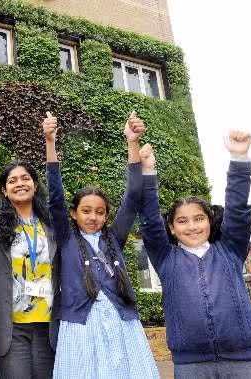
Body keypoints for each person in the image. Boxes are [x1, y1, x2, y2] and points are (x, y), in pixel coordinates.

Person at [138, 132, 251, 378]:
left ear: (209, 222)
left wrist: (239, 157)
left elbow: (238, 210)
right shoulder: (166, 259)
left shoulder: (230, 250)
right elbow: (149, 221)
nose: (192, 226)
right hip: (191, 365)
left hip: (246, 361)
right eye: (182, 221)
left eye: (199, 219)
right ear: (172, 229)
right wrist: (147, 172)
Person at [45, 111, 159, 378]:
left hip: (121, 322)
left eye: (99, 212)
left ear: (106, 215)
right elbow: (55, 198)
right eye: (86, 211)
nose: (93, 217)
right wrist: (50, 141)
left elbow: (132, 197)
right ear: (73, 213)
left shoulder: (114, 237)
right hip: (80, 324)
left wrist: (132, 143)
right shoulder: (66, 237)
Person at [0, 155, 58, 377]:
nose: (20, 184)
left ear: (35, 186)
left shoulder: (52, 226)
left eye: (25, 178)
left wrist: (50, 144)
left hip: (48, 327)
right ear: (4, 191)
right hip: (12, 329)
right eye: (12, 180)